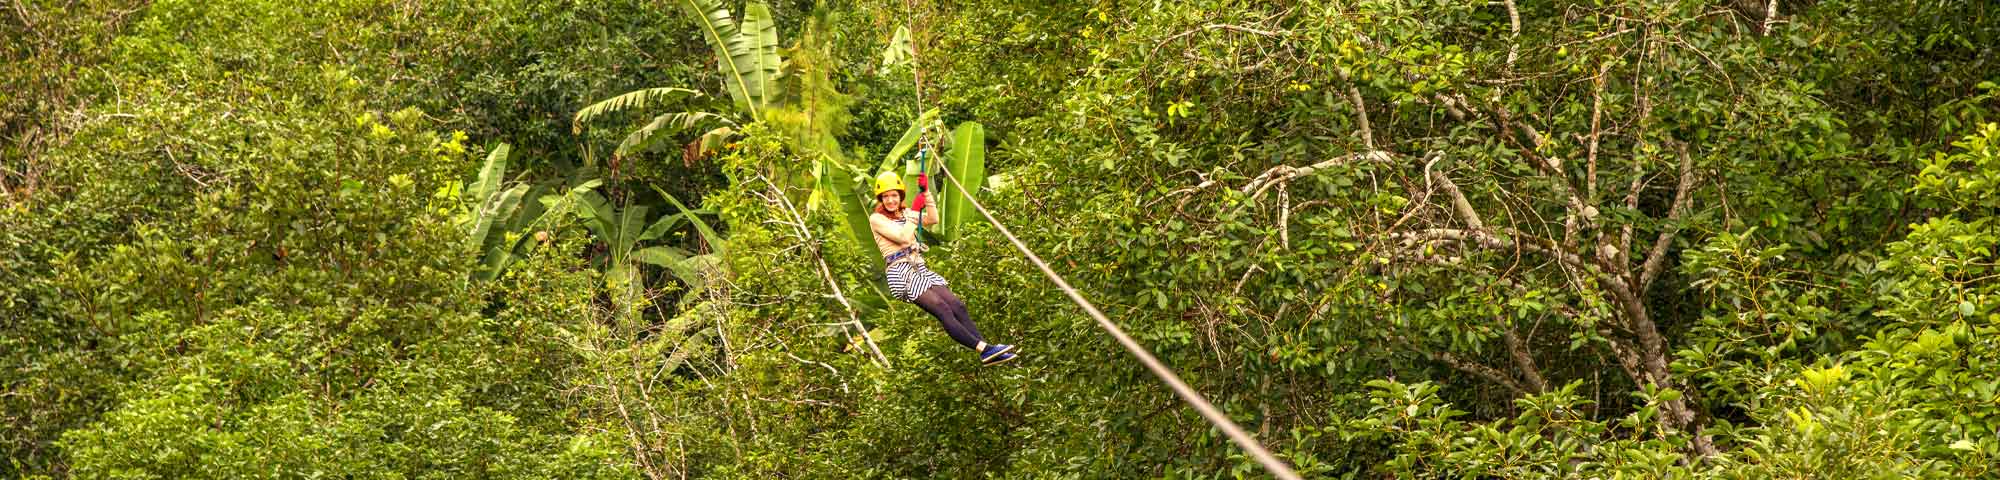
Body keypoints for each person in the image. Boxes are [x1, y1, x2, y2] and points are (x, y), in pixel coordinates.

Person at [869, 170, 1017, 365]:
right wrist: (914, 215)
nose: (890, 200)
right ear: (881, 199)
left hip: (918, 268)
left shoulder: (906, 214)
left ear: (900, 196)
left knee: (957, 306)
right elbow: (903, 238)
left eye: (894, 195)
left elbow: (933, 219)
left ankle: (987, 352)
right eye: (886, 197)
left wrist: (927, 193)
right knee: (942, 309)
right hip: (900, 272)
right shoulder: (877, 219)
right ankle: (985, 349)